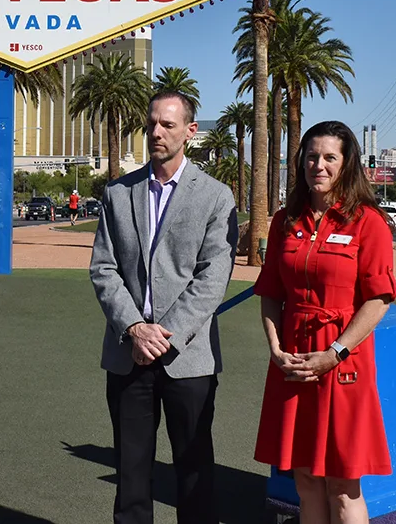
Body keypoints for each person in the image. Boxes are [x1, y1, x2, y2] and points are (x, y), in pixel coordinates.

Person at [89, 91, 238, 524]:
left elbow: (213, 278)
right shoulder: (118, 193)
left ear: (190, 132)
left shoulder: (215, 196)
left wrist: (163, 335)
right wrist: (135, 328)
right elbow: (103, 268)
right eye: (152, 123)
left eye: (168, 125)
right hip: (127, 355)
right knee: (131, 477)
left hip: (187, 359)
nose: (156, 132)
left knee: (194, 475)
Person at [253, 121, 396, 524]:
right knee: (305, 481)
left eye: (330, 157)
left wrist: (334, 353)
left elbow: (378, 299)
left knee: (342, 487)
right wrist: (276, 349)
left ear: (346, 163)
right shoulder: (285, 220)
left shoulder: (368, 222)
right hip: (293, 362)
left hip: (343, 362)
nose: (319, 165)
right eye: (312, 157)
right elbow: (270, 292)